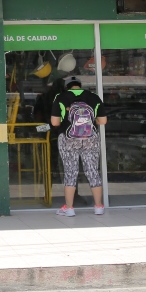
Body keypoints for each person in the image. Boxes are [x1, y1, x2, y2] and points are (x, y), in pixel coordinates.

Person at [50, 78, 107, 216]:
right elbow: (102, 121)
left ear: (66, 87)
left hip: (68, 138)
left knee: (70, 172)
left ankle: (69, 208)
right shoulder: (93, 97)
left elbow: (55, 122)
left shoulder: (61, 97)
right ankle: (98, 206)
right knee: (92, 171)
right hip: (90, 139)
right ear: (80, 86)